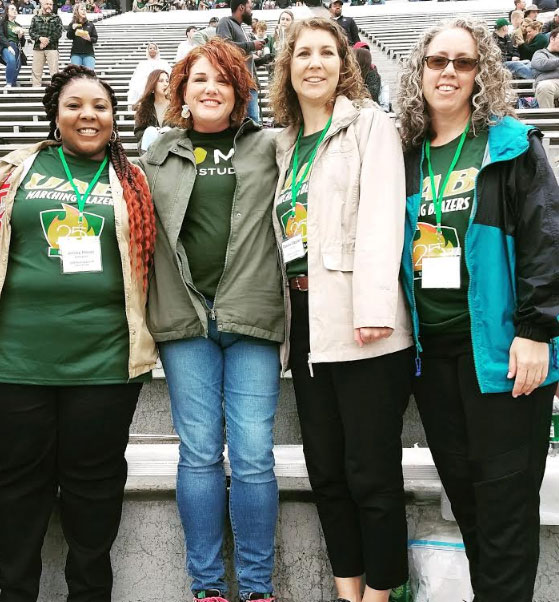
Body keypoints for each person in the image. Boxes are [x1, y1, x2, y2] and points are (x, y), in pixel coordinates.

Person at [397, 17, 559, 602]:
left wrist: (536, 330)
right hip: (434, 360)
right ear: (419, 72)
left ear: (480, 73)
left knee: (506, 512)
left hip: (502, 353)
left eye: (462, 62)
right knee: (468, 503)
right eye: (437, 61)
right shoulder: (407, 155)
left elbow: (546, 238)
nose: (448, 72)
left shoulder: (511, 144)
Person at [0, 64, 157, 602]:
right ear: (55, 114)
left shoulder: (132, 180)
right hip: (16, 362)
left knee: (94, 489)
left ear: (115, 119)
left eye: (100, 107)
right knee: (17, 489)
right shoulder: (17, 169)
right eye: (75, 105)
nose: (88, 115)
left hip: (105, 363)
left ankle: (89, 594)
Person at [269, 17, 413, 602]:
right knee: (326, 472)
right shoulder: (282, 144)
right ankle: (347, 591)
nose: (315, 63)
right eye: (303, 53)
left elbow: (384, 217)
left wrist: (373, 304)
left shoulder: (369, 126)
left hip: (363, 321)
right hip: (306, 323)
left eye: (327, 53)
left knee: (370, 475)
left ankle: (381, 595)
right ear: (288, 67)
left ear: (343, 64)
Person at [137, 38, 283, 602]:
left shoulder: (270, 147)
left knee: (251, 455)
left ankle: (256, 586)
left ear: (239, 91)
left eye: (223, 79)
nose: (210, 89)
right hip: (185, 322)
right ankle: (207, 588)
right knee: (198, 453)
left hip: (251, 316)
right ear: (181, 90)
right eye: (199, 79)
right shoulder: (158, 155)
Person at [216, 0, 264, 123]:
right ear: (241, 7)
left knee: (253, 123)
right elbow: (224, 46)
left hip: (249, 85)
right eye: (250, 7)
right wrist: (251, 45)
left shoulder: (241, 28)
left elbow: (245, 58)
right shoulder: (225, 22)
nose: (251, 12)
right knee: (243, 122)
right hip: (237, 84)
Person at [133, 68, 169, 152]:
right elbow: (138, 132)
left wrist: (166, 132)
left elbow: (181, 129)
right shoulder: (144, 106)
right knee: (151, 131)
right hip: (149, 147)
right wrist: (154, 132)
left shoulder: (175, 106)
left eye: (167, 81)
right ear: (153, 84)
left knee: (168, 130)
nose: (165, 84)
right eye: (161, 81)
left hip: (170, 145)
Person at [29, 0, 62, 87]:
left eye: (51, 4)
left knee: (55, 72)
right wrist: (40, 38)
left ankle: (55, 90)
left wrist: (47, 41)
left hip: (52, 48)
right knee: (36, 72)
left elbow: (58, 33)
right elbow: (31, 32)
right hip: (38, 48)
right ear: (42, 4)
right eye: (47, 4)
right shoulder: (35, 18)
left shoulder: (57, 18)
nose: (49, 6)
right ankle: (35, 90)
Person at [127, 42, 171, 106]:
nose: (152, 49)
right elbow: (137, 79)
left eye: (154, 48)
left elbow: (167, 76)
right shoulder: (142, 64)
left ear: (157, 51)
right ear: (147, 51)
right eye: (150, 48)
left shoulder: (164, 63)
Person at [0, 4, 26, 88]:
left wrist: (20, 36)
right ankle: (9, 83)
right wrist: (8, 46)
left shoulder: (19, 25)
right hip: (7, 46)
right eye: (12, 9)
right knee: (11, 60)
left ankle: (13, 83)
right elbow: (1, 36)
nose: (15, 11)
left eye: (15, 9)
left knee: (18, 66)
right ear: (7, 12)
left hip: (17, 47)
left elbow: (22, 43)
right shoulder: (3, 23)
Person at [532, 28, 559, 106]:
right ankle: (549, 117)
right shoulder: (540, 53)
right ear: (552, 38)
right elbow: (542, 64)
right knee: (545, 87)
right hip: (548, 83)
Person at [67, 2, 97, 70]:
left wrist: (89, 39)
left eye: (85, 10)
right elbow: (69, 36)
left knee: (89, 75)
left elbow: (95, 38)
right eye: (81, 9)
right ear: (77, 11)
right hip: (76, 54)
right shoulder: (72, 24)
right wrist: (72, 29)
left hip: (89, 54)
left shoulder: (90, 24)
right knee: (76, 76)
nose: (84, 11)